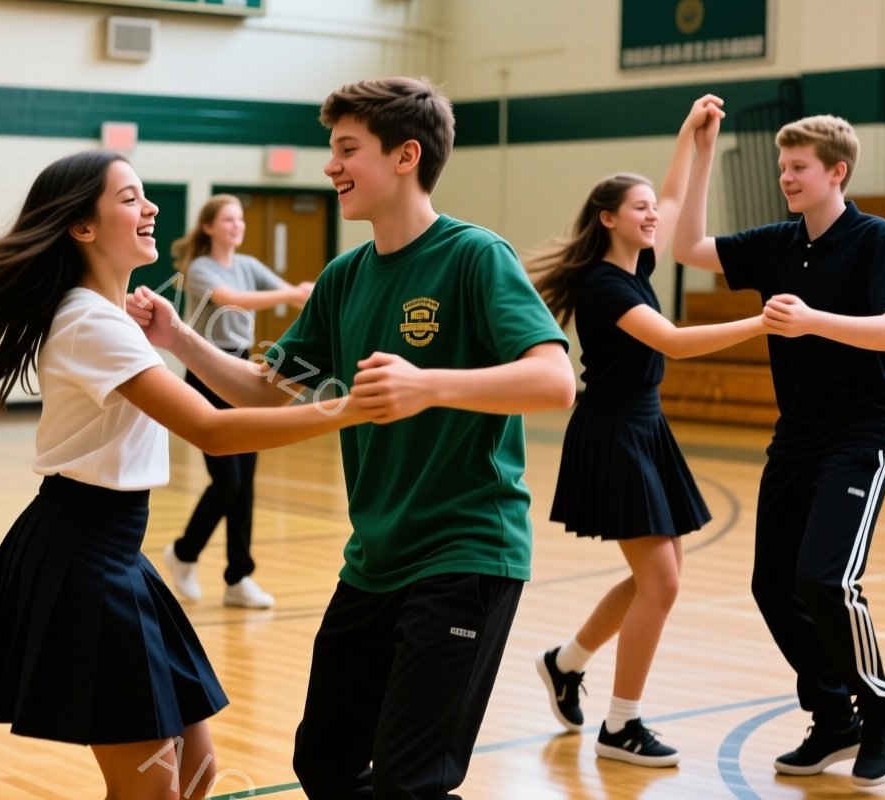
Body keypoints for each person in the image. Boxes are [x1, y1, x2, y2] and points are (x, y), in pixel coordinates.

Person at [130, 77, 578, 799]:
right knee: (325, 764)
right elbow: (265, 389)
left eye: (346, 149)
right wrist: (179, 337)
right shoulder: (345, 278)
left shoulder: (474, 256)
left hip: (465, 553)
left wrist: (429, 385)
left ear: (406, 156)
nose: (330, 165)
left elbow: (554, 380)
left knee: (410, 780)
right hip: (373, 561)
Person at [0, 150, 366, 800]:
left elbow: (240, 397)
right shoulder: (88, 322)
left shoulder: (107, 318)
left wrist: (178, 335)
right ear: (83, 226)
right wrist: (349, 409)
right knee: (152, 788)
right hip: (81, 550)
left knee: (196, 770)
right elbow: (210, 429)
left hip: (118, 550)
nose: (151, 206)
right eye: (130, 197)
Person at [672, 113, 885, 788]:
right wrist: (701, 151)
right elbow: (686, 245)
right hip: (798, 435)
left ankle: (881, 706)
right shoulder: (777, 243)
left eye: (798, 167)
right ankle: (833, 715)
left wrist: (812, 321)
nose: (785, 177)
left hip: (862, 432)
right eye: (782, 167)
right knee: (773, 585)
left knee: (825, 580)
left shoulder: (875, 239)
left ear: (837, 172)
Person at [526, 95, 767, 766]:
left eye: (650, 209)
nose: (653, 215)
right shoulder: (605, 287)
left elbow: (676, 195)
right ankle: (621, 726)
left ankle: (565, 662)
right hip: (614, 433)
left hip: (645, 427)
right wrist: (762, 322)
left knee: (658, 577)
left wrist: (697, 139)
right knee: (660, 582)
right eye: (639, 209)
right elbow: (675, 342)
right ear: (608, 219)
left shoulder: (636, 266)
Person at [161, 194, 313, 609]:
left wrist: (316, 295)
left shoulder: (248, 264)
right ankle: (183, 553)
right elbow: (233, 300)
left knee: (245, 481)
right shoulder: (200, 268)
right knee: (228, 480)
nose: (237, 225)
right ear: (209, 226)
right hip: (209, 372)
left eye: (240, 219)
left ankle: (238, 576)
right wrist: (289, 294)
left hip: (245, 371)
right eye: (228, 219)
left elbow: (292, 293)